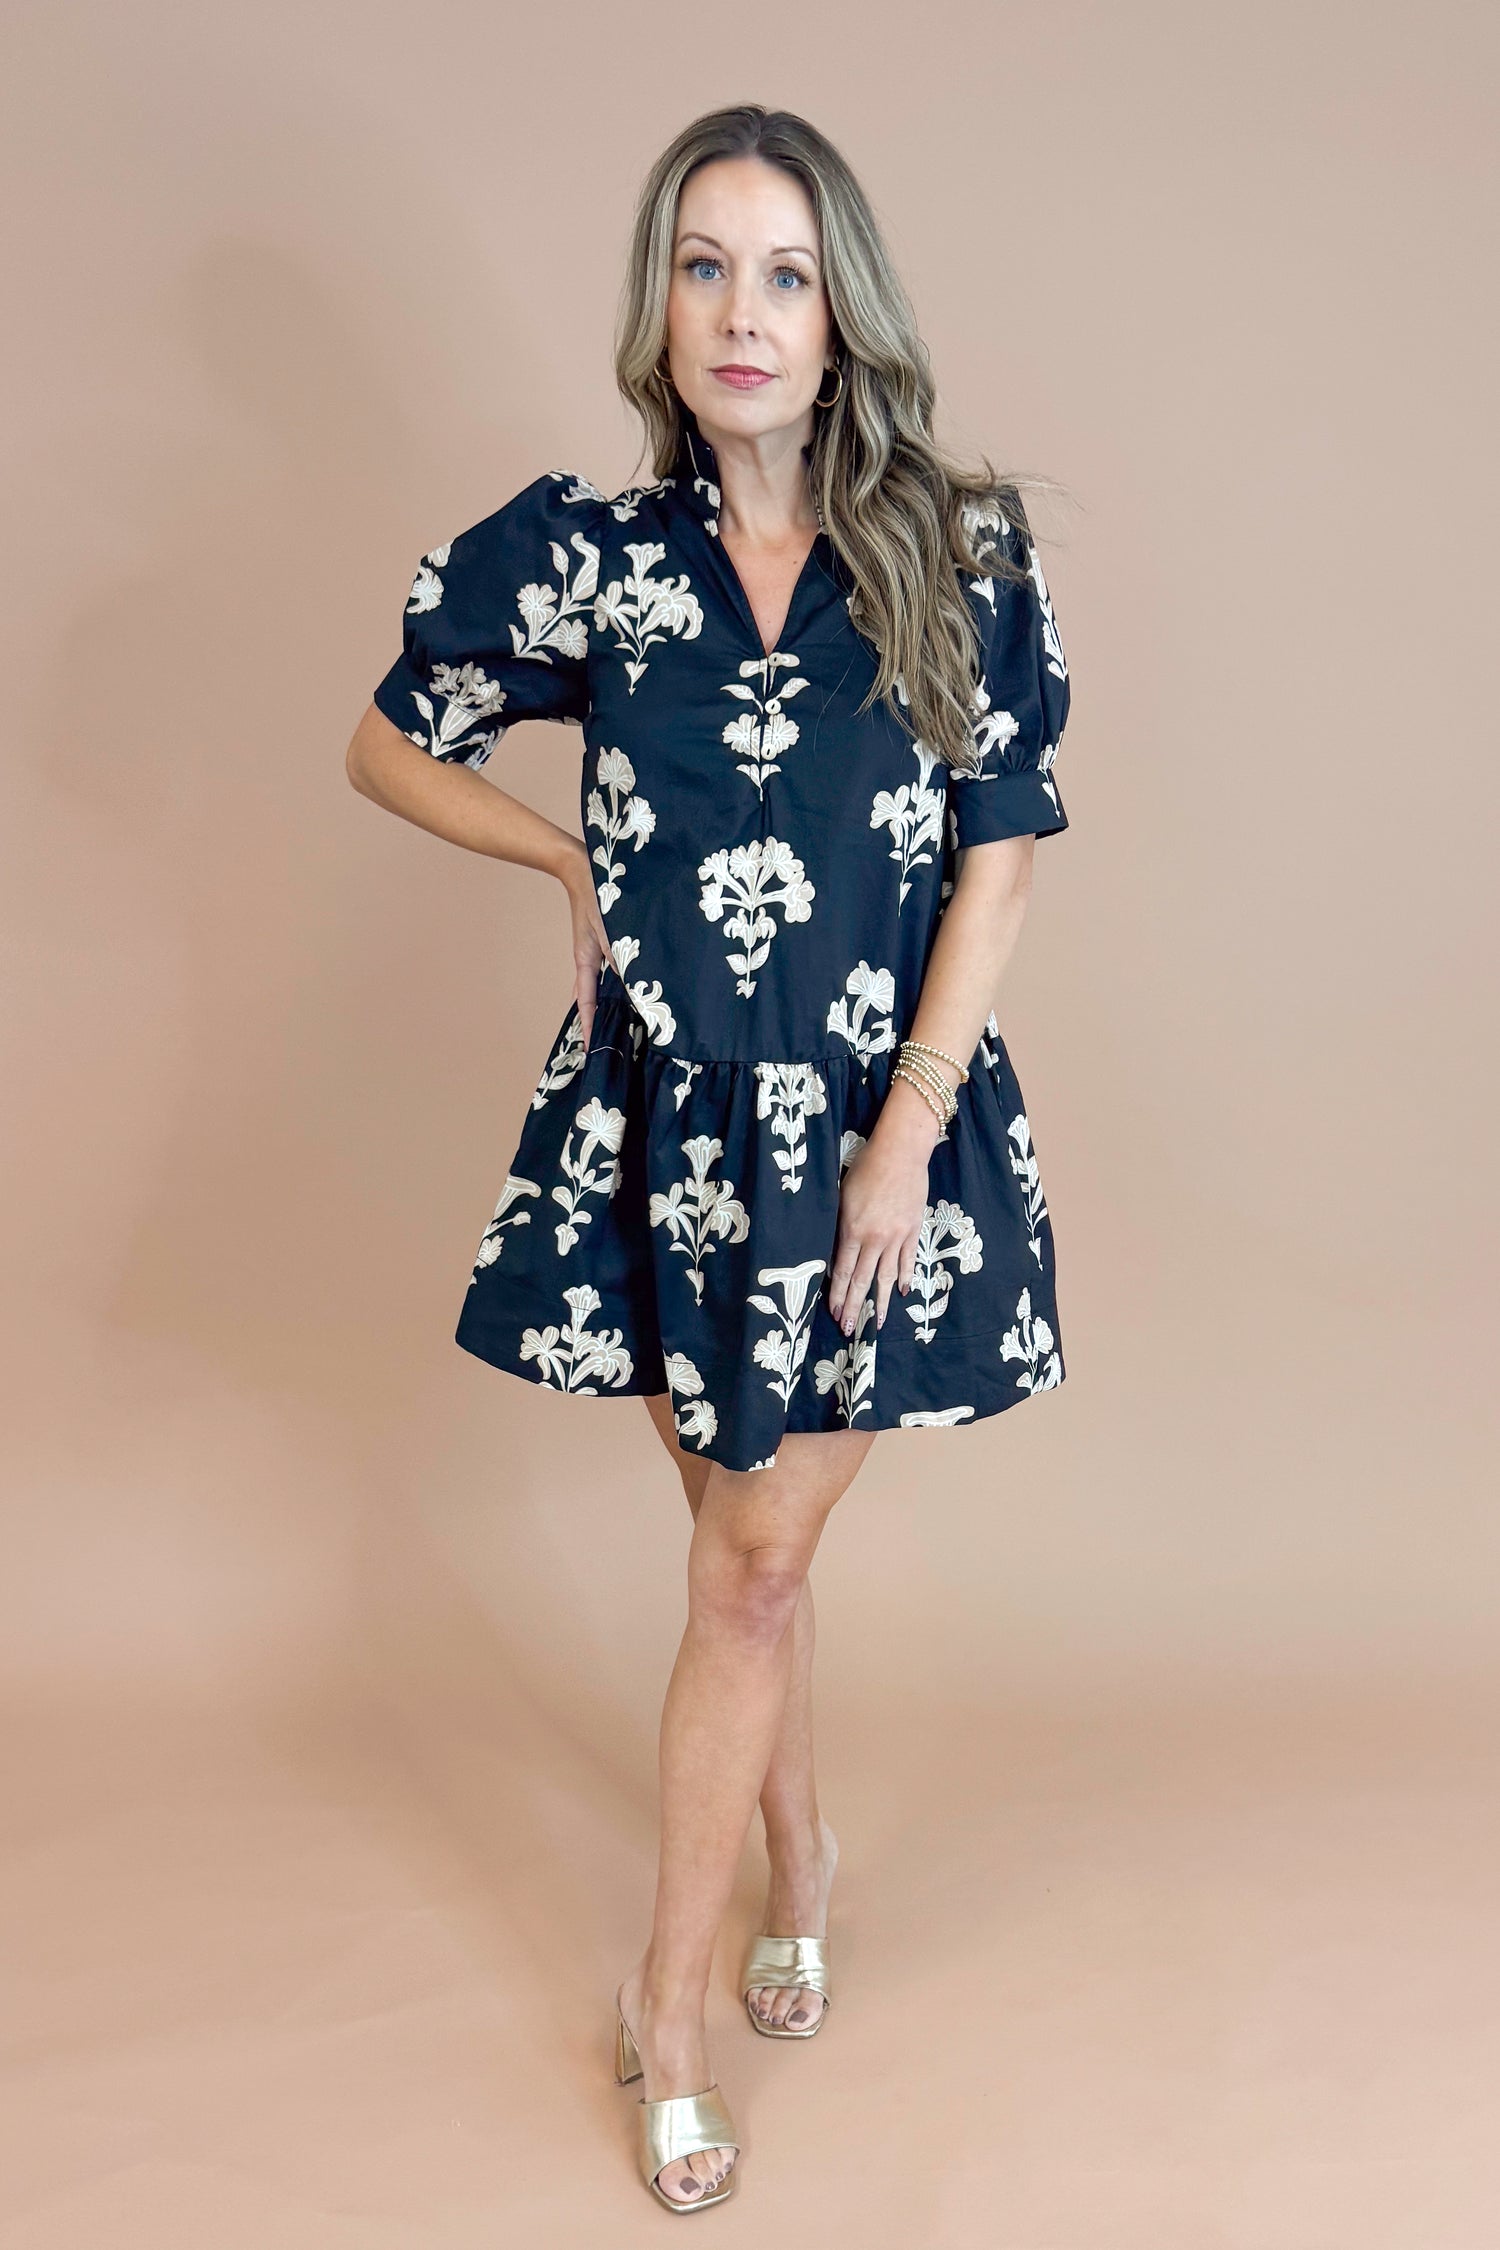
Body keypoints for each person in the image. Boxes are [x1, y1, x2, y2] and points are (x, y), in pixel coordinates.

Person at [345, 103, 1073, 2213]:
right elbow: (391, 737)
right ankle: (801, 1853)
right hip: (662, 1140)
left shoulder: (960, 545)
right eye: (700, 267)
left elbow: (1002, 859)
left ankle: (662, 2014)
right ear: (658, 311)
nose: (739, 311)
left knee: (746, 1567)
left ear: (841, 311)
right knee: (755, 1562)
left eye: (778, 270)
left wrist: (908, 1133)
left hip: (875, 1132)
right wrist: (556, 845)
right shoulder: (587, 555)